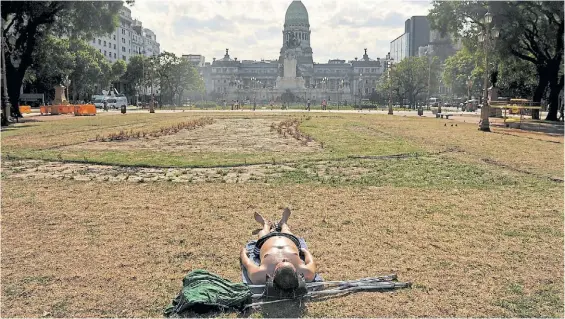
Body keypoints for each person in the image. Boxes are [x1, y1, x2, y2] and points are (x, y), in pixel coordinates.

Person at [240, 208, 316, 286]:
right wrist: (306, 252)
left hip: (265, 242)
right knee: (286, 230)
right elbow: (311, 262)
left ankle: (266, 225)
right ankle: (283, 223)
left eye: (283, 262)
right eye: (287, 262)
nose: (284, 259)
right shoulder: (307, 273)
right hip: (290, 239)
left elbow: (247, 263)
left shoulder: (259, 275)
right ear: (295, 272)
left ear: (274, 272)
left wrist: (243, 253)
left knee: (262, 233)